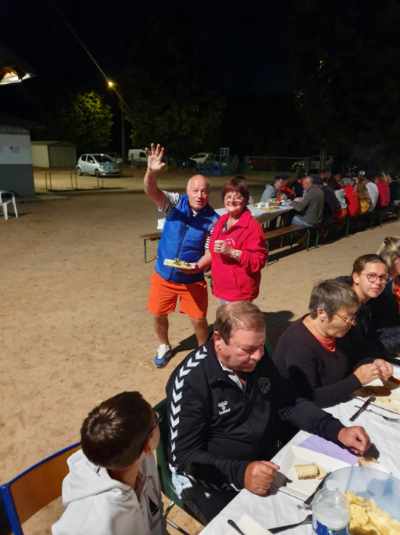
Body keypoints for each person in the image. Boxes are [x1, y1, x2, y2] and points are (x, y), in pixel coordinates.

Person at [166, 302, 371, 524]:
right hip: (215, 480)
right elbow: (183, 456)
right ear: (218, 340)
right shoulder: (191, 381)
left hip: (268, 463)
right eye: (247, 350)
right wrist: (241, 473)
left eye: (261, 346)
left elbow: (288, 403)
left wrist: (336, 430)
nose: (257, 356)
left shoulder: (258, 360)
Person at [144, 143, 219, 367]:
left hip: (192, 278)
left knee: (198, 319)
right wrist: (151, 172)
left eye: (204, 191)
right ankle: (164, 345)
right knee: (158, 313)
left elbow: (210, 251)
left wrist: (198, 266)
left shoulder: (213, 220)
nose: (200, 195)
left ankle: (203, 352)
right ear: (187, 191)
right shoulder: (175, 203)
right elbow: (151, 190)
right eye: (195, 190)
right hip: (164, 275)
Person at [52, 392, 165, 535]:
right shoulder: (95, 524)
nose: (157, 419)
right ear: (147, 446)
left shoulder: (138, 456)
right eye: (156, 419)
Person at [272, 280, 392, 408]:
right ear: (322, 313)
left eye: (353, 317)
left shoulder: (339, 330)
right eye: (347, 318)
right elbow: (309, 399)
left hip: (342, 401)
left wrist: (373, 362)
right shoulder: (298, 344)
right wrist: (356, 380)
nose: (352, 323)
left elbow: (357, 355)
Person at [199, 177, 267, 303]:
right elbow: (212, 250)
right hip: (221, 288)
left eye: (237, 197)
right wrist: (198, 266)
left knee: (238, 322)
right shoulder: (221, 220)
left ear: (245, 200)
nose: (232, 200)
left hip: (239, 293)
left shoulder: (252, 226)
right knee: (226, 321)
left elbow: (258, 261)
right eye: (228, 197)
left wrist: (231, 252)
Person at [337, 254, 392, 362]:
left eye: (382, 277)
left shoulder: (374, 299)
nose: (378, 282)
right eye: (371, 276)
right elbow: (355, 351)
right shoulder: (342, 307)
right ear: (356, 277)